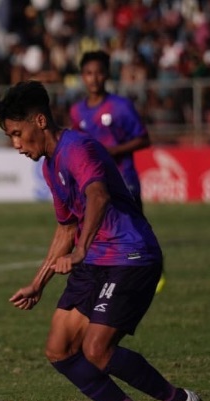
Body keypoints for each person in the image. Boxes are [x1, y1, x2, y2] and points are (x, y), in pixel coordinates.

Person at [0, 80, 200, 401]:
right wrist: (38, 282)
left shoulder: (77, 148)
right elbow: (65, 227)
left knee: (97, 349)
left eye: (17, 133)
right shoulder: (49, 167)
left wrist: (80, 250)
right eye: (10, 136)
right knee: (59, 349)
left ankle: (179, 400)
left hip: (130, 256)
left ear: (40, 121)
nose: (16, 144)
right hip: (95, 260)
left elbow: (98, 193)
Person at [70, 50, 167, 293]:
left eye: (99, 73)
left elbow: (144, 139)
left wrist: (114, 151)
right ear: (82, 76)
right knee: (100, 229)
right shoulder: (76, 111)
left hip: (124, 178)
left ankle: (155, 270)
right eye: (89, 73)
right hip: (94, 183)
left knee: (136, 228)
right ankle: (109, 275)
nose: (94, 79)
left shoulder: (120, 106)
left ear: (107, 75)